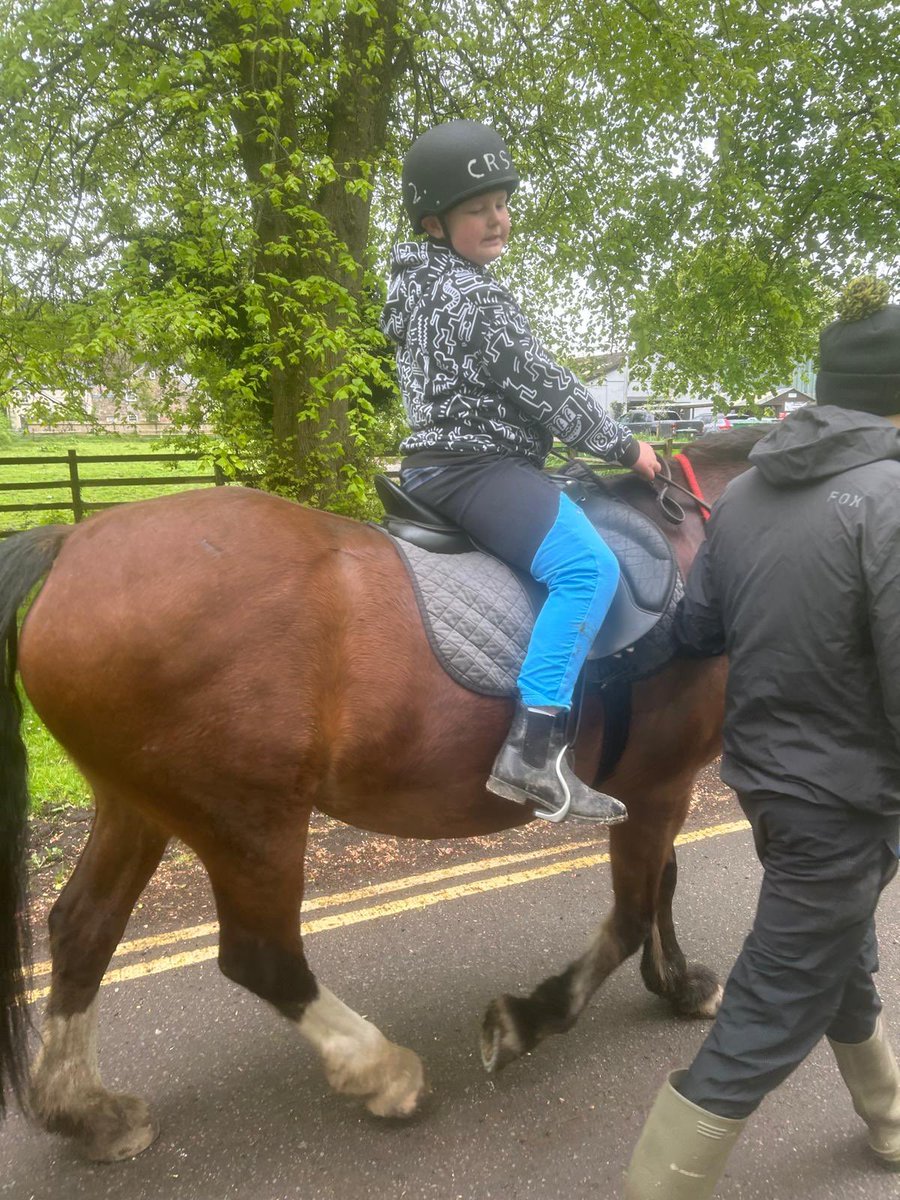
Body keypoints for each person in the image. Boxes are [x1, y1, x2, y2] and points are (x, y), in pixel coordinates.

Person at [625, 277, 900, 1198]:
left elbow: (694, 633)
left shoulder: (742, 503)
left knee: (837, 953)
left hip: (771, 791)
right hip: (847, 804)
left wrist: (605, 672)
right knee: (770, 1007)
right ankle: (655, 1187)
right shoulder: (890, 500)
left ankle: (890, 1120)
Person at [380, 119, 661, 824]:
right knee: (588, 570)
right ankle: (534, 750)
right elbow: (541, 383)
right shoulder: (471, 295)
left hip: (436, 466)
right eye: (479, 208)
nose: (499, 217)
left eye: (503, 201)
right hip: (480, 470)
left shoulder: (416, 288)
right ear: (435, 222)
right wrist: (626, 448)